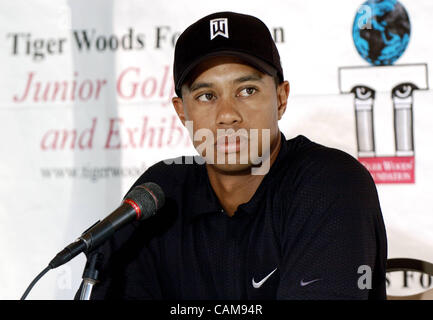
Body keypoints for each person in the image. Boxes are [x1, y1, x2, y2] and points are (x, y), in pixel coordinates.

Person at [76, 11, 387, 300]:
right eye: (206, 96)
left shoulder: (331, 184)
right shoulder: (160, 193)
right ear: (182, 111)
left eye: (247, 90)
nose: (227, 115)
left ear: (280, 98)